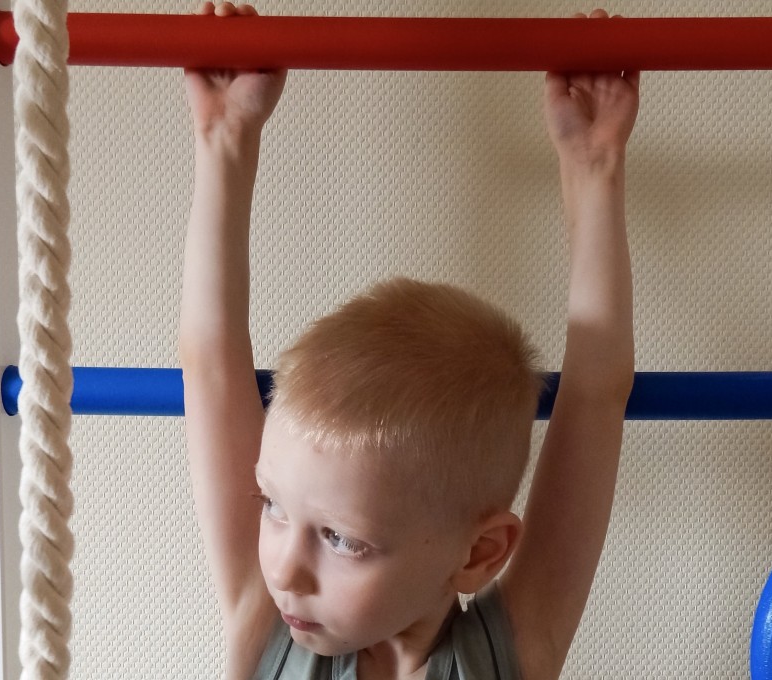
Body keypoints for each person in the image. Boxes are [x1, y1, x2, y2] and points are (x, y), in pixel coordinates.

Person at [179, 3, 639, 678]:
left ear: (478, 554)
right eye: (272, 506)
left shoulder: (508, 653)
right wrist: (224, 138)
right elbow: (211, 367)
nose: (284, 567)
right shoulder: (266, 623)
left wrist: (594, 164)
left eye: (340, 539)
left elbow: (595, 392)